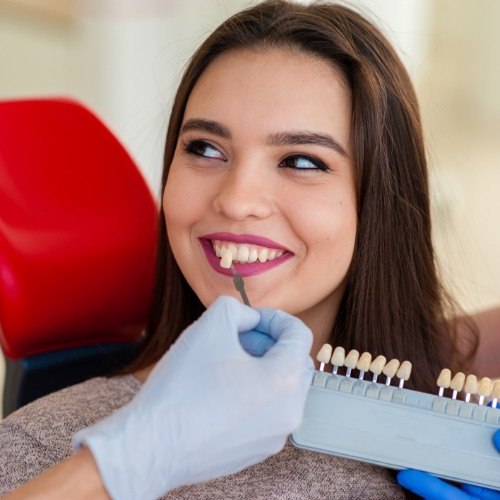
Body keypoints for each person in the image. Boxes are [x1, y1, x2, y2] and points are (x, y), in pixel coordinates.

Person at [0, 1, 497, 498]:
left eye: (301, 160)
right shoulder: (43, 451)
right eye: (205, 149)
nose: (235, 201)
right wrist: (131, 458)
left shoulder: (457, 433)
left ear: (380, 202)